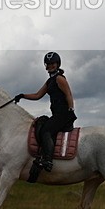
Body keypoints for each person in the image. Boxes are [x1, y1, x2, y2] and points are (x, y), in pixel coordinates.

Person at [15, 51, 76, 180]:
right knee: (42, 125)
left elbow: (68, 94)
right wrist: (22, 95)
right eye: (48, 64)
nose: (50, 66)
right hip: (57, 114)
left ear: (57, 64)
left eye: (53, 63)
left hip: (64, 114)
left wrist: (71, 109)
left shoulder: (59, 79)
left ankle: (48, 160)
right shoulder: (50, 81)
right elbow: (38, 95)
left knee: (47, 130)